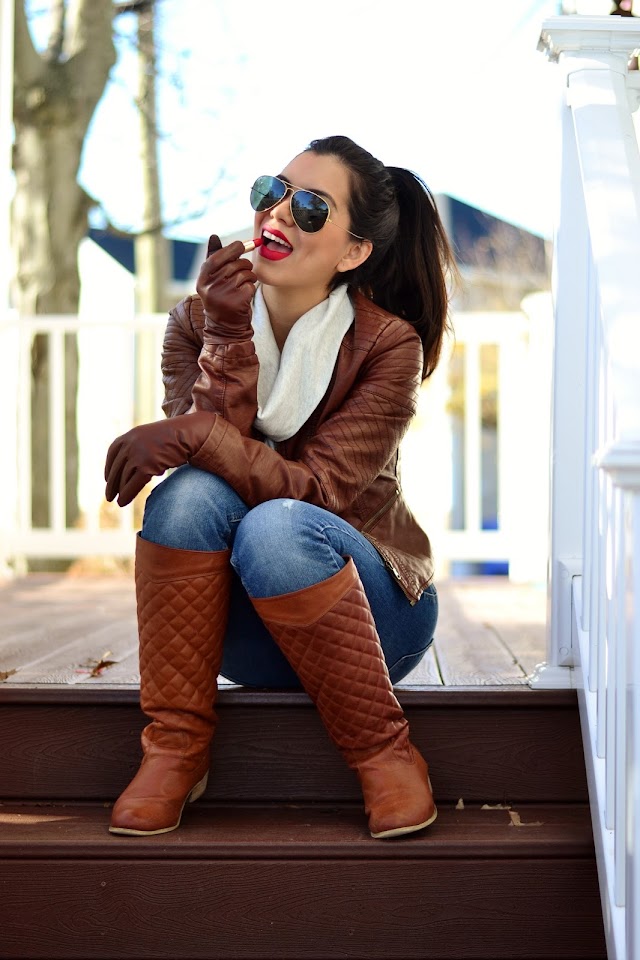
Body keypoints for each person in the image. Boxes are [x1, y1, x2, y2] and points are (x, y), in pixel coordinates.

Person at [104, 135, 457, 840]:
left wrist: (196, 434)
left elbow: (317, 491)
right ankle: (174, 750)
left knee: (279, 524)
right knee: (186, 497)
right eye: (273, 191)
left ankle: (384, 755)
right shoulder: (196, 323)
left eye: (312, 208)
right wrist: (227, 333)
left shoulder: (388, 345)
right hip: (242, 634)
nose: (279, 213)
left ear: (354, 252)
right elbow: (214, 464)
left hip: (375, 619)